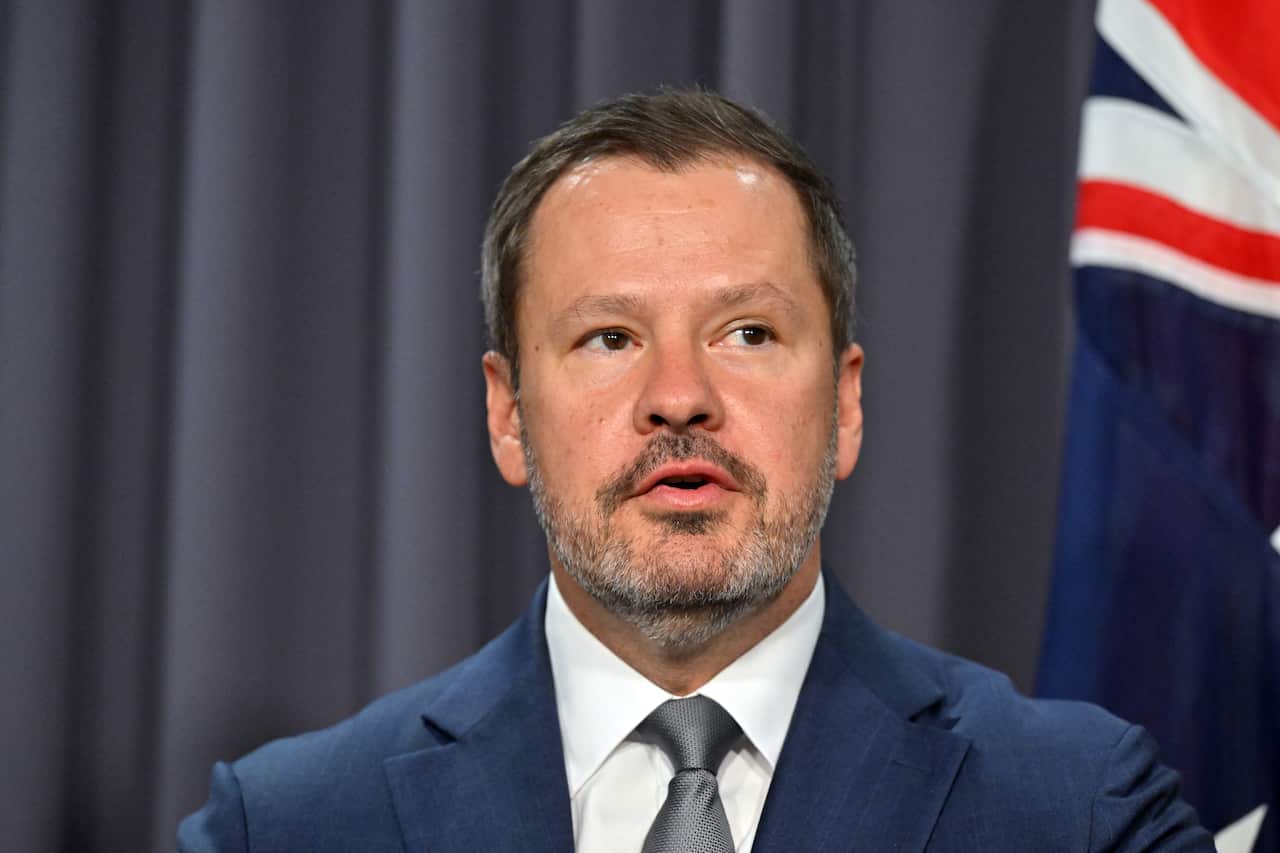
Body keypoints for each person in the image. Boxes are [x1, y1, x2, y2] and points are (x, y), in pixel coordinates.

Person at [179, 88, 1213, 852]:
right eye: (608, 338)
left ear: (845, 404)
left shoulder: (1079, 810)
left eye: (747, 332)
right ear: (507, 415)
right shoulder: (288, 824)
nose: (678, 395)